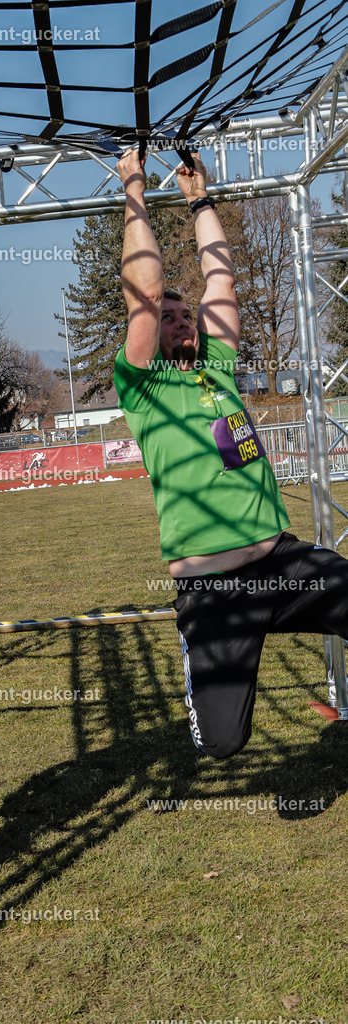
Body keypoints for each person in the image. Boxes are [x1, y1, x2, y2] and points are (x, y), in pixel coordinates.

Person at [114, 146, 348, 760]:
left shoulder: (216, 368)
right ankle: (203, 655)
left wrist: (200, 200)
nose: (183, 319)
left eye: (186, 315)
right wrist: (135, 189)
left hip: (281, 564)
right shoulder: (141, 385)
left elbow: (220, 279)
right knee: (223, 742)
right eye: (169, 318)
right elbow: (144, 287)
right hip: (213, 591)